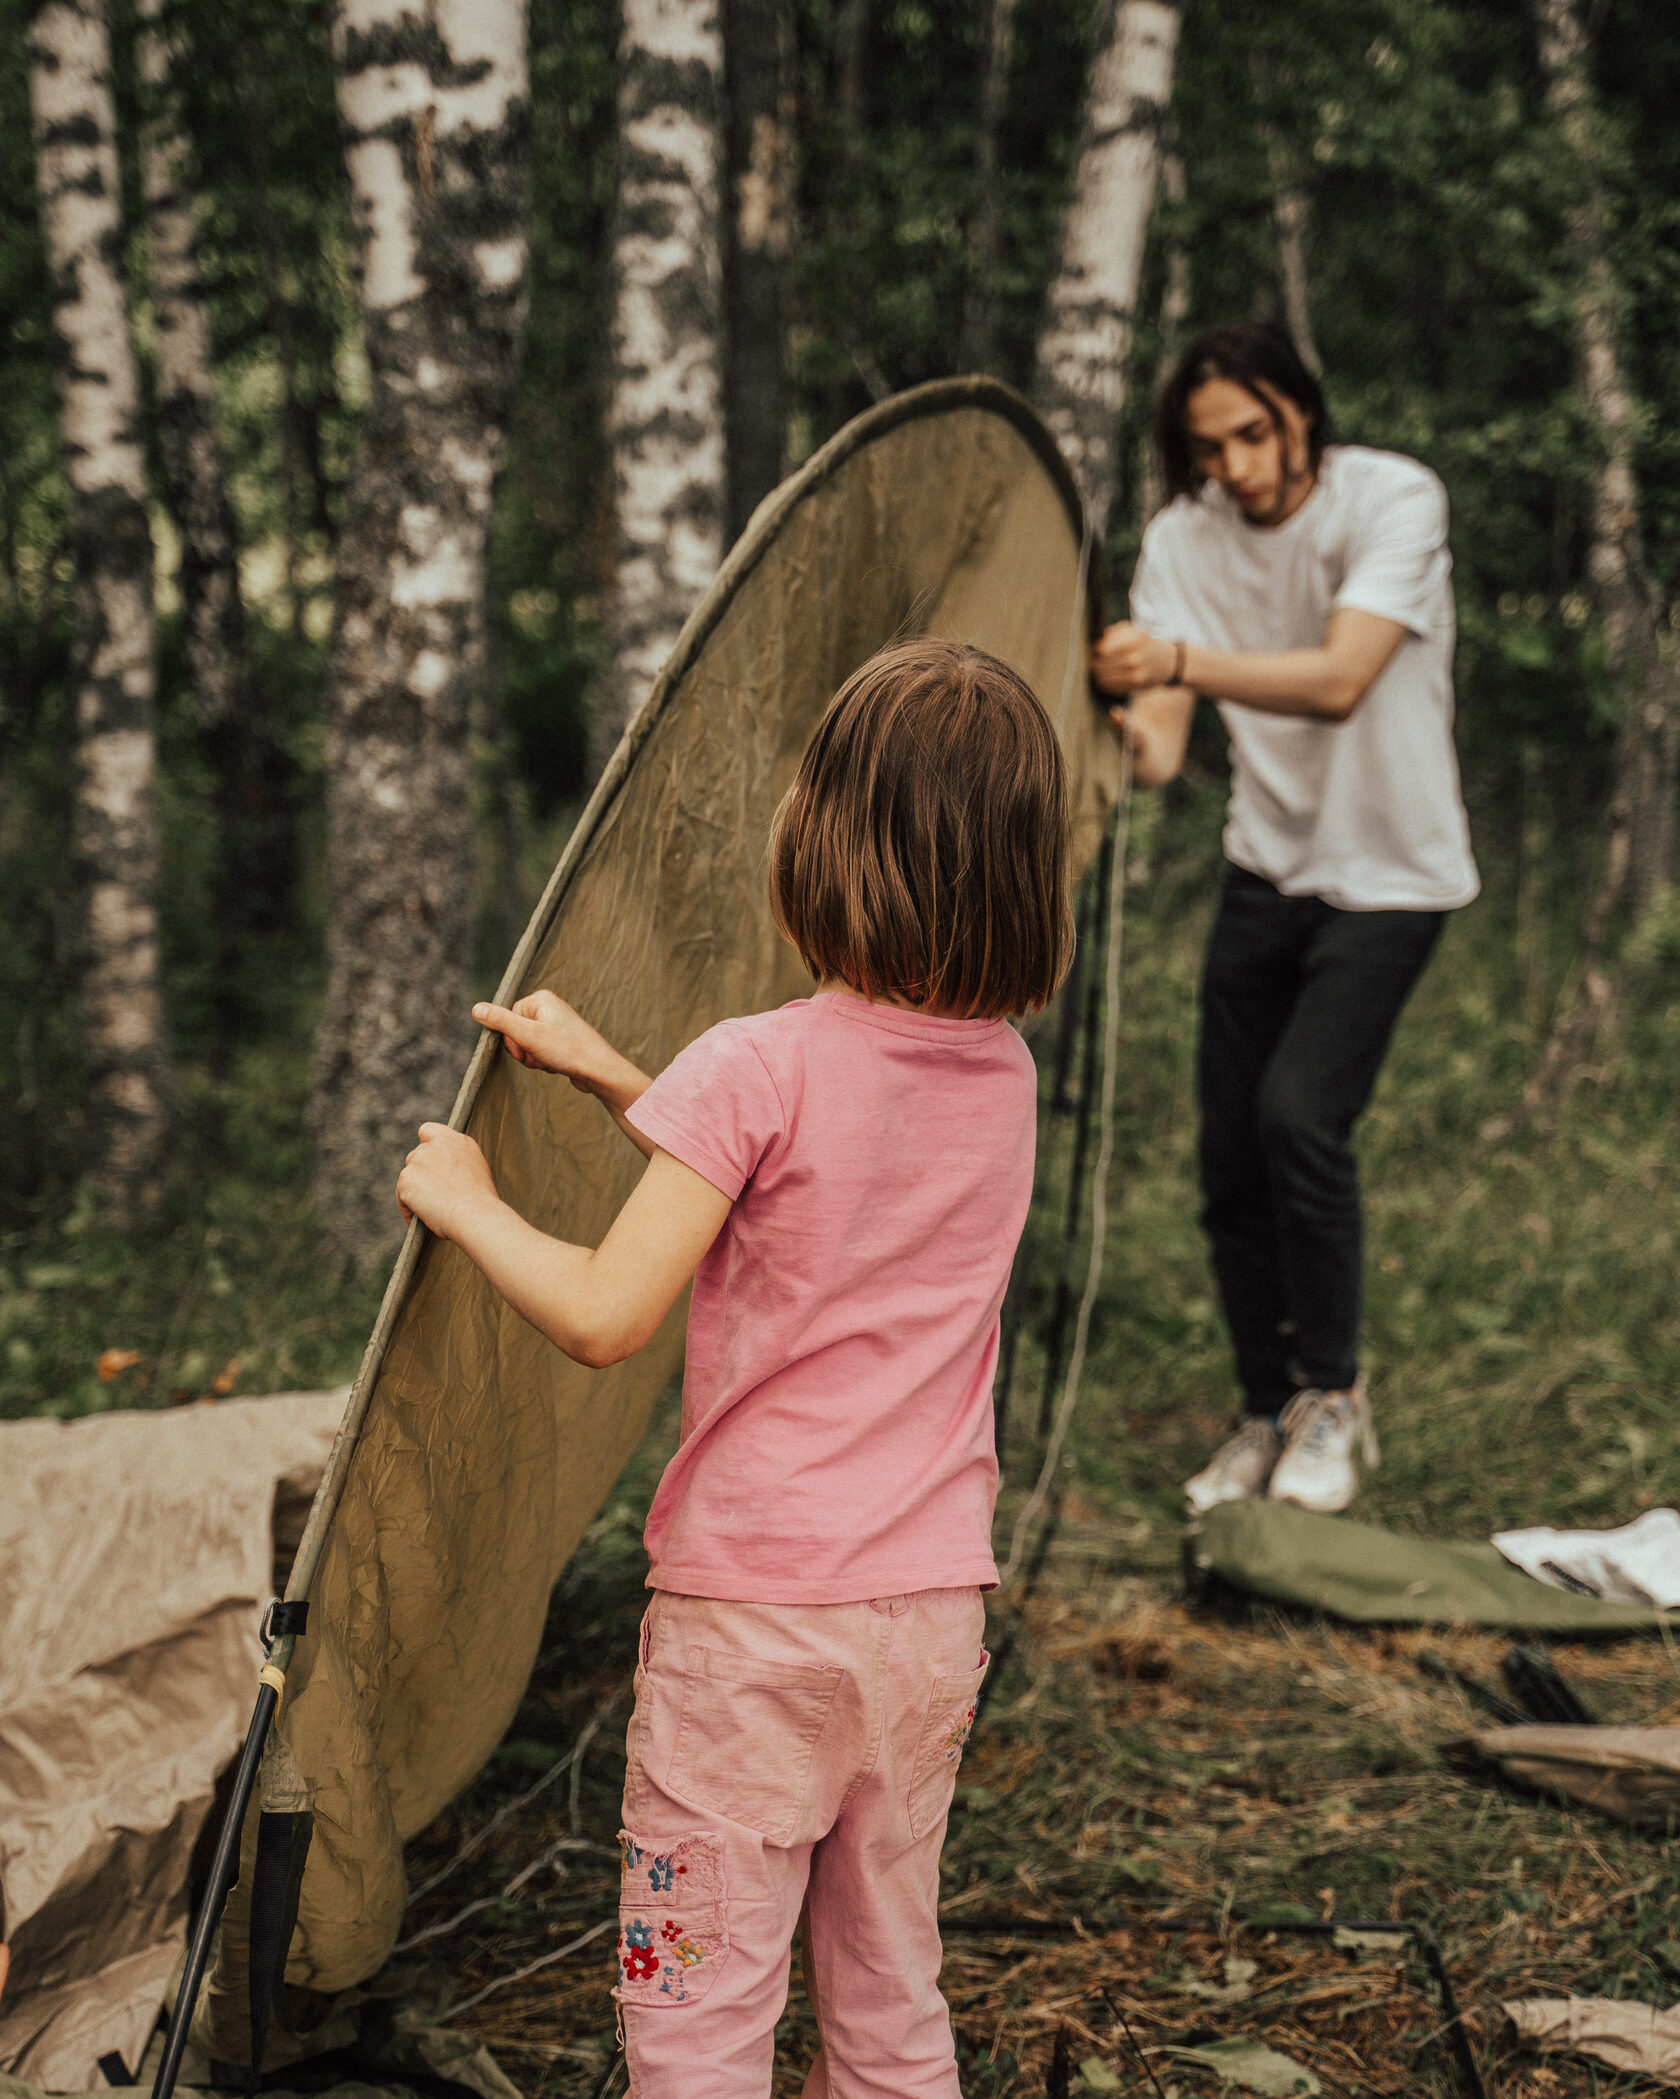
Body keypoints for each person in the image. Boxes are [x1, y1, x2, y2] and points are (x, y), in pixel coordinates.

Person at [395, 639, 1071, 2098]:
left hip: (751, 1633)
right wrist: (631, 1079)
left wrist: (471, 1205)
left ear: (819, 836)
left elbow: (604, 1310)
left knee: (695, 2007)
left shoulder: (758, 1060)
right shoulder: (1003, 1072)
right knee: (891, 1990)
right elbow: (822, 1185)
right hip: (927, 1620)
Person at [1092, 320, 1478, 1517]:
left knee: (1300, 1117)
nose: (1240, 468)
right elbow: (1159, 745)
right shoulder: (1178, 541)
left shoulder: (1391, 499)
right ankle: (1263, 1410)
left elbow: (1339, 675)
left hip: (1396, 871)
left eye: (1256, 433)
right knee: (1226, 1157)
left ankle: (1333, 1400)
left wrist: (1177, 658)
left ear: (1300, 410)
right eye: (1211, 450)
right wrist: (1111, 710)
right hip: (1268, 867)